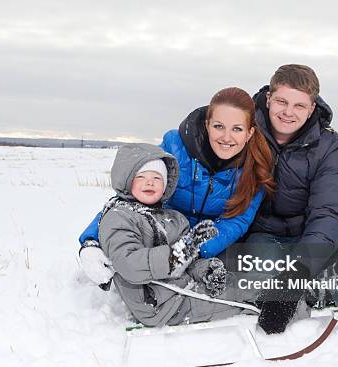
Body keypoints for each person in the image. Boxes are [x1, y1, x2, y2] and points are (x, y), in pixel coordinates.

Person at [79, 87, 276, 286]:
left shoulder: (256, 168)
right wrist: (90, 242)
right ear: (207, 124)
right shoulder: (175, 148)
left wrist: (195, 248)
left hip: (206, 248)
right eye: (218, 126)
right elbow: (128, 200)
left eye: (237, 129)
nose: (226, 137)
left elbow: (237, 221)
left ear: (250, 133)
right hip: (159, 236)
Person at [244, 64, 338, 315]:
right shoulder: (245, 131)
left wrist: (303, 267)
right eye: (282, 101)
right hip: (265, 234)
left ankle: (329, 273)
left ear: (312, 108)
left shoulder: (330, 145)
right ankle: (307, 284)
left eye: (299, 106)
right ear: (269, 99)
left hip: (313, 230)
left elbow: (328, 211)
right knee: (264, 281)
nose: (288, 112)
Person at [96, 143, 273, 326]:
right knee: (243, 293)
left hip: (182, 288)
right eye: (141, 177)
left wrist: (206, 269)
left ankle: (291, 294)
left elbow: (189, 262)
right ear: (126, 180)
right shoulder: (119, 217)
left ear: (165, 185)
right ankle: (294, 317)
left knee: (246, 281)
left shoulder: (173, 218)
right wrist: (178, 254)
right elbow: (129, 264)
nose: (150, 182)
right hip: (161, 303)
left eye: (157, 178)